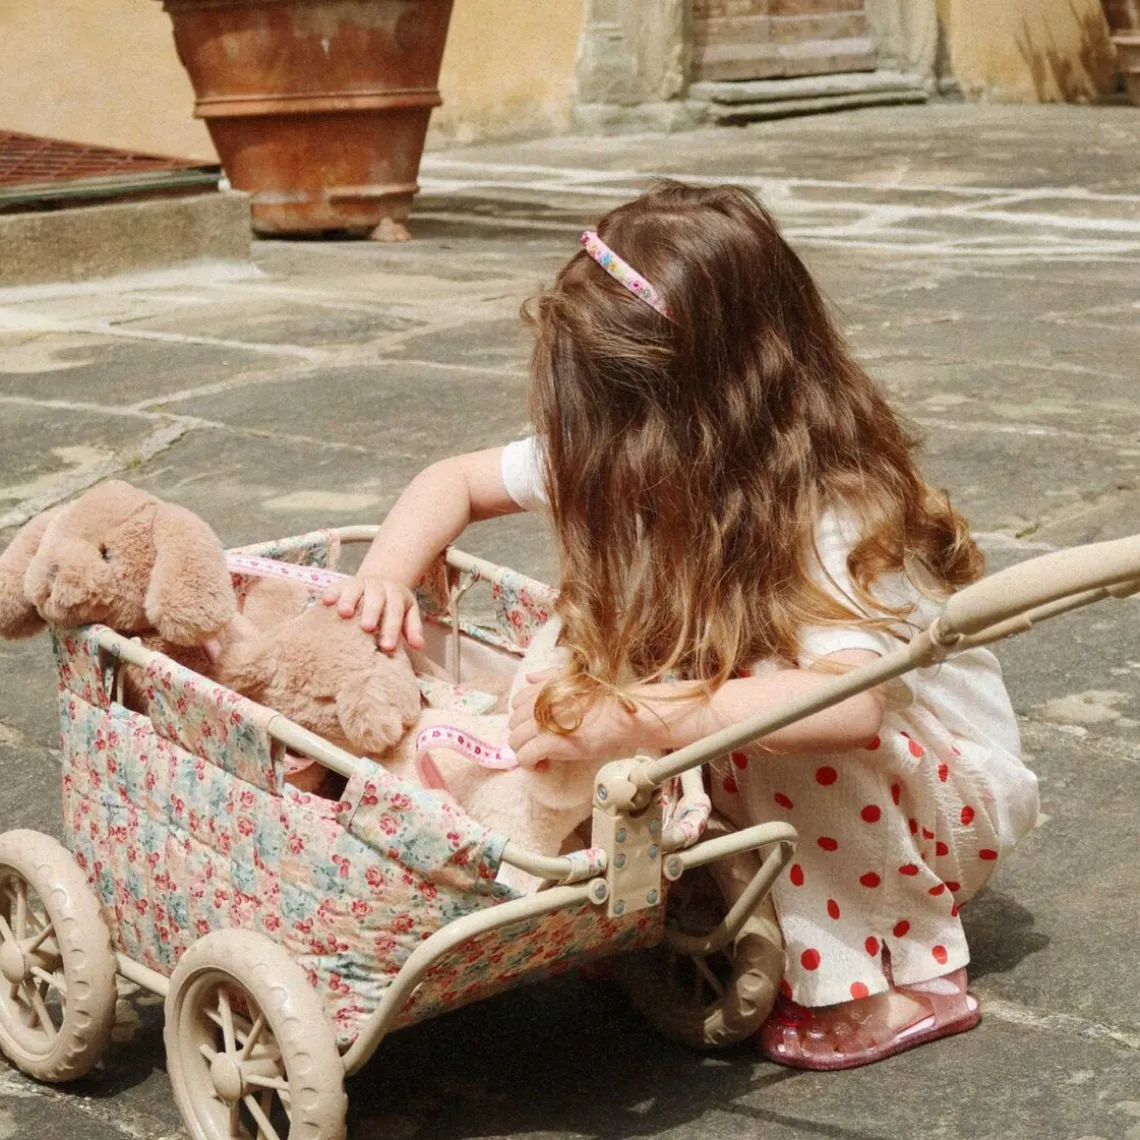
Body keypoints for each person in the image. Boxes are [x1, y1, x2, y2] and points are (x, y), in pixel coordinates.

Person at [322, 181, 1040, 1070]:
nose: (589, 447)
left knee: (762, 720)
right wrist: (386, 576)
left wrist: (629, 714)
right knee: (607, 654)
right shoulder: (622, 450)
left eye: (613, 417)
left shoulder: (831, 509)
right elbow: (453, 481)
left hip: (934, 801)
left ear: (699, 410)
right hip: (830, 765)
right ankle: (646, 886)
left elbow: (848, 710)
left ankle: (896, 978)